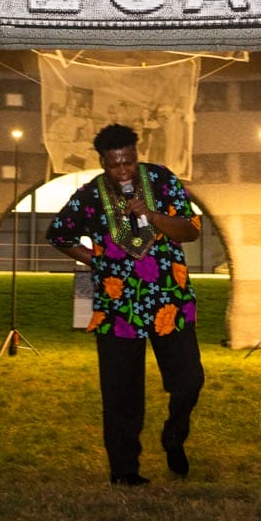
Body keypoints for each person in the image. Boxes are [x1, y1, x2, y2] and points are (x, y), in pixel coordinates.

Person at [47, 122, 204, 486]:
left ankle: (174, 436)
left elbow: (192, 230)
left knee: (190, 380)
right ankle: (124, 470)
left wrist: (152, 214)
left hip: (170, 298)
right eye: (115, 164)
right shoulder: (89, 195)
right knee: (120, 391)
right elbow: (59, 233)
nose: (123, 171)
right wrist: (98, 262)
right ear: (103, 161)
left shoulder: (162, 180)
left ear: (136, 155)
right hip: (119, 307)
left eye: (129, 162)